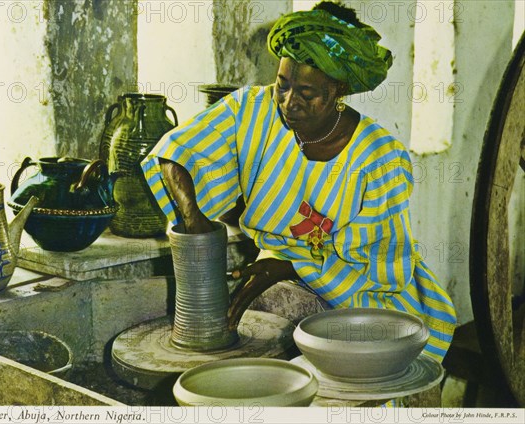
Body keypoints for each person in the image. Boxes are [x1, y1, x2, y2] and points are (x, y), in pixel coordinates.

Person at [141, 1, 456, 362]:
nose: (289, 103)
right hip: (279, 272)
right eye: (282, 84)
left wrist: (290, 265)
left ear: (339, 92)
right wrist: (193, 218)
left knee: (355, 387)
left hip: (366, 297)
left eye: (307, 94)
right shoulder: (253, 110)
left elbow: (380, 271)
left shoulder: (379, 158)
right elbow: (174, 153)